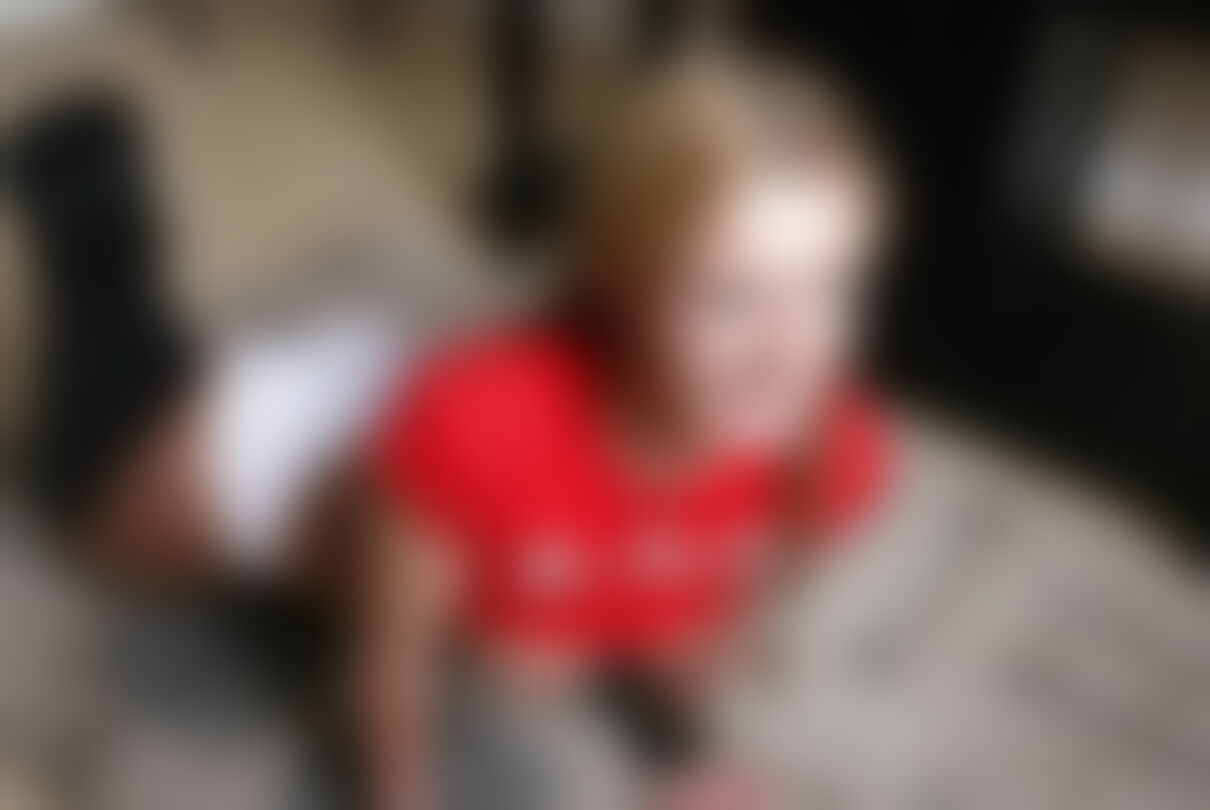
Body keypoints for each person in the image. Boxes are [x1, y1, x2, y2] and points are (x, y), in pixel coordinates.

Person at [358, 54, 895, 810]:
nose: (790, 353)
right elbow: (388, 655)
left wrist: (703, 685)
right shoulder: (470, 418)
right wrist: (400, 793)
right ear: (620, 287)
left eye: (830, 288)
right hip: (381, 449)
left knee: (621, 646)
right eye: (728, 296)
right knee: (512, 660)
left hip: (571, 549)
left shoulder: (842, 446)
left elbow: (748, 601)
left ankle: (675, 732)